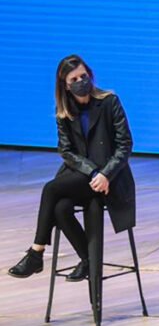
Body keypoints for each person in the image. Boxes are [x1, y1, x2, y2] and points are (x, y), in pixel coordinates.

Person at [8, 55, 135, 284]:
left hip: (111, 178)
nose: (80, 82)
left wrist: (105, 174)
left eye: (83, 76)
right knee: (61, 208)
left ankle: (36, 252)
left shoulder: (109, 101)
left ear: (90, 75)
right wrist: (93, 172)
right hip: (85, 175)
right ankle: (87, 261)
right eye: (74, 79)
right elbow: (66, 151)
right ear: (65, 85)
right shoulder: (64, 111)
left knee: (51, 189)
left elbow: (125, 144)